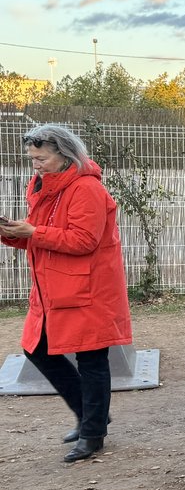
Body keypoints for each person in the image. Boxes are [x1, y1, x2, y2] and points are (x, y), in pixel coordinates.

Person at [0, 124, 132, 463]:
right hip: (54, 288)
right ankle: (92, 416)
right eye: (32, 159)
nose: (35, 165)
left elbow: (84, 240)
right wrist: (13, 233)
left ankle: (93, 434)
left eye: (41, 158)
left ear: (64, 154)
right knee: (37, 349)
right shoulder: (43, 185)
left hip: (88, 289)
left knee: (92, 360)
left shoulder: (86, 188)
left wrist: (33, 231)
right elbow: (42, 233)